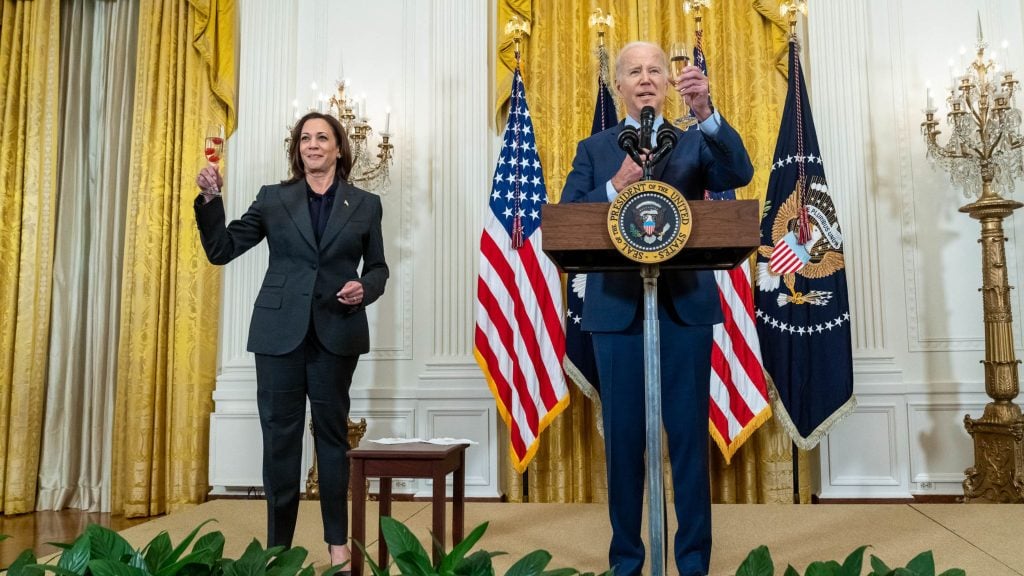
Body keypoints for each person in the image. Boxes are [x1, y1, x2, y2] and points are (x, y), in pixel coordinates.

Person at [560, 41, 754, 576]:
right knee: (623, 443)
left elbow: (738, 170)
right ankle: (627, 562)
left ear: (669, 83)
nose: (645, 79)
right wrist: (614, 184)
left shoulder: (695, 143)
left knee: (689, 438)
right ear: (617, 84)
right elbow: (567, 218)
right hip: (617, 313)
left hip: (684, 308)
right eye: (633, 71)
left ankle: (692, 564)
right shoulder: (594, 148)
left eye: (654, 70)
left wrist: (707, 114)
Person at [194, 111, 389, 570]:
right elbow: (222, 249)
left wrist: (366, 288)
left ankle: (337, 545)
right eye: (305, 138)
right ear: (297, 149)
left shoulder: (365, 204)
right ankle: (277, 548)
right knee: (279, 440)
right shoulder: (273, 199)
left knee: (331, 438)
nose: (313, 145)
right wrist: (210, 198)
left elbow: (378, 268)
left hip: (336, 333)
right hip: (278, 334)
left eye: (323, 137)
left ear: (339, 148)